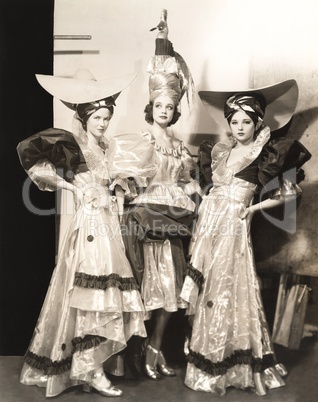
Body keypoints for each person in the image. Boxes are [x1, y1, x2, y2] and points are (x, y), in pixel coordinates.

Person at [17, 69, 147, 398]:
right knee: (87, 288)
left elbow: (117, 181)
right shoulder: (71, 145)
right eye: (98, 117)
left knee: (106, 292)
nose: (103, 122)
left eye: (107, 116)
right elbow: (31, 154)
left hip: (108, 224)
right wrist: (69, 185)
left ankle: (92, 365)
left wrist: (118, 188)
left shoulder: (107, 147)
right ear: (85, 117)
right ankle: (91, 369)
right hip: (89, 224)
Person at [180, 80, 311, 395]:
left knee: (229, 285)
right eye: (235, 121)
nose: (240, 127)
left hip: (235, 225)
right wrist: (193, 189)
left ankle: (232, 361)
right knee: (210, 283)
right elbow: (212, 191)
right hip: (210, 223)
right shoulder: (221, 151)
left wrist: (253, 210)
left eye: (246, 121)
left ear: (257, 123)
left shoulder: (265, 153)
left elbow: (289, 191)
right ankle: (209, 353)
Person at [108, 10, 201, 380]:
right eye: (160, 105)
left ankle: (156, 348)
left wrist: (195, 190)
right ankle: (134, 354)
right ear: (152, 108)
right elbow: (123, 179)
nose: (165, 110)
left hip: (174, 217)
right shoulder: (142, 140)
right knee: (146, 290)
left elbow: (186, 181)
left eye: (170, 107)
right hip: (146, 218)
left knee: (171, 291)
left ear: (176, 110)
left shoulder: (180, 147)